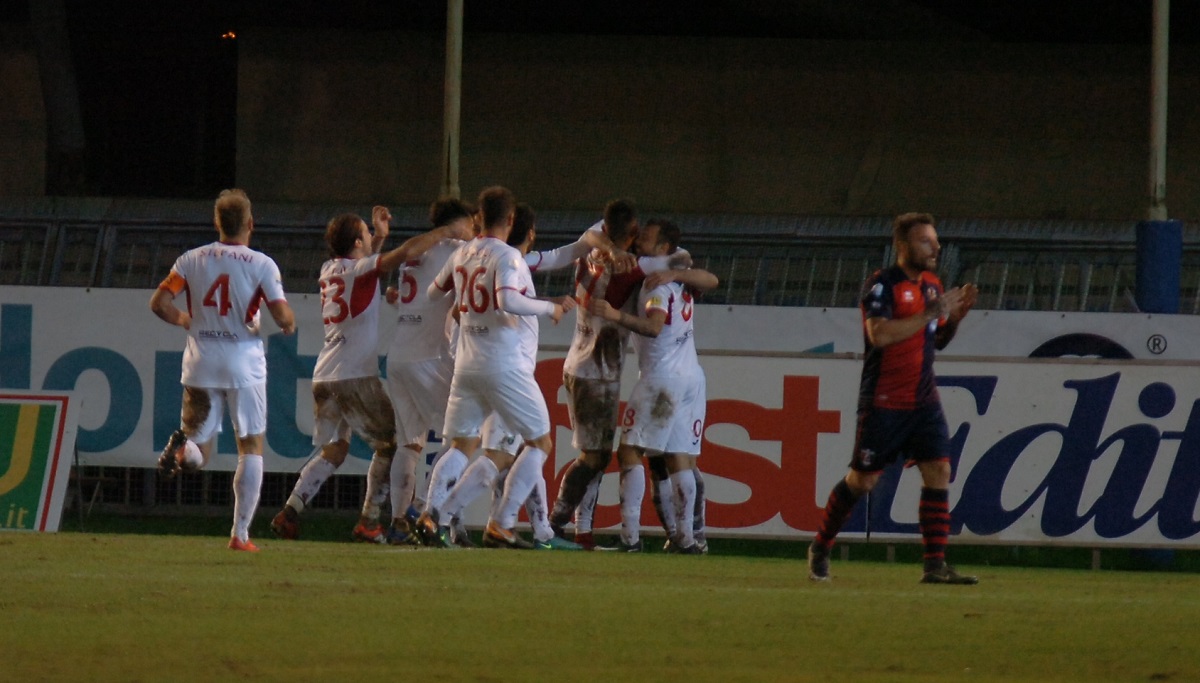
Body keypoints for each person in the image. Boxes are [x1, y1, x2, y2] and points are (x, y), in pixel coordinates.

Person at [268, 206, 471, 543]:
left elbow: (364, 269)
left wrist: (378, 237)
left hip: (325, 373)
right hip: (354, 375)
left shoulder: (329, 269)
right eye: (365, 232)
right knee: (395, 443)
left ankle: (290, 511)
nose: (369, 235)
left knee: (335, 451)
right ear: (356, 242)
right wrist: (446, 232)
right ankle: (370, 520)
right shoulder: (360, 268)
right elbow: (401, 254)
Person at [807, 212, 980, 584]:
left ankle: (934, 565)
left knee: (939, 471)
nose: (935, 248)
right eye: (925, 241)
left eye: (935, 241)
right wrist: (931, 312)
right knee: (862, 481)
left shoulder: (932, 285)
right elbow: (880, 335)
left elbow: (936, 339)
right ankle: (821, 545)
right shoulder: (882, 284)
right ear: (902, 246)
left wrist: (955, 318)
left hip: (923, 399)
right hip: (884, 400)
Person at [424, 203, 598, 550]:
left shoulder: (467, 254)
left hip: (469, 364)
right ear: (518, 225)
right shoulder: (509, 257)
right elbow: (509, 299)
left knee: (470, 447)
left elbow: (437, 294)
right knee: (531, 446)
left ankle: (433, 516)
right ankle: (498, 523)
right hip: (505, 368)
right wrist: (550, 307)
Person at [151, 188, 296, 552]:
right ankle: (240, 534)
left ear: (217, 222)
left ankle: (182, 450)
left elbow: (159, 303)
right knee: (251, 446)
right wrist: (288, 322)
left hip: (200, 362)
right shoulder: (262, 264)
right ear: (251, 223)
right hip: (243, 363)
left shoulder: (191, 259)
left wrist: (185, 319)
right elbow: (281, 315)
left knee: (201, 451)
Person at [549, 199, 692, 548]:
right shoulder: (635, 267)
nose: (641, 239)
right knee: (594, 457)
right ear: (632, 232)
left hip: (582, 362)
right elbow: (684, 258)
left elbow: (591, 235)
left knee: (596, 453)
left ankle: (582, 532)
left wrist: (611, 247)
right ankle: (553, 526)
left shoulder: (591, 252)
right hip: (597, 371)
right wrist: (667, 266)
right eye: (638, 234)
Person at [589, 219, 718, 553]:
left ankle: (630, 538)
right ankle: (686, 539)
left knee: (629, 451)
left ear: (662, 248)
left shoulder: (655, 284)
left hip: (662, 379)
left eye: (645, 239)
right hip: (691, 376)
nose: (638, 242)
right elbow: (712, 280)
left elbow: (654, 326)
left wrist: (615, 315)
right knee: (680, 458)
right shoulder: (680, 276)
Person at [380, 198, 473, 545]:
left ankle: (398, 523)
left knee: (409, 443)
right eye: (471, 224)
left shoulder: (417, 250)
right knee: (464, 436)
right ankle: (433, 514)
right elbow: (462, 306)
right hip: (429, 355)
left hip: (399, 356)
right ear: (458, 224)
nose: (474, 231)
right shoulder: (455, 249)